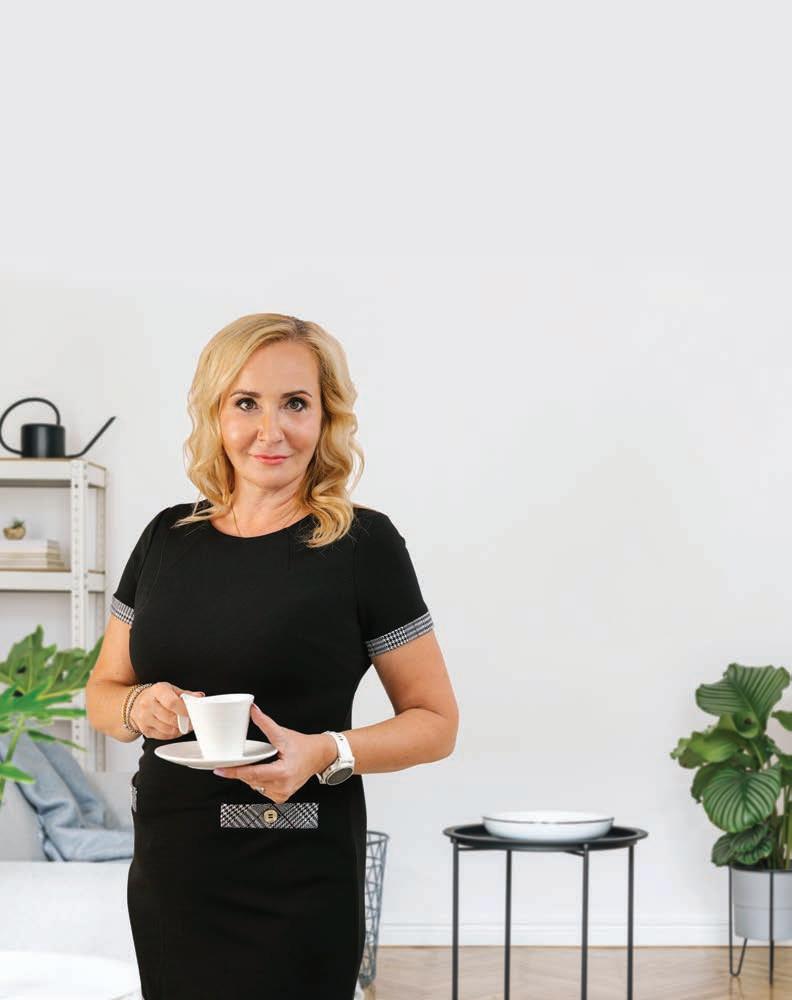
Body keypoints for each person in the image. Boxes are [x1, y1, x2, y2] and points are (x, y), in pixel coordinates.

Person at [85, 313, 459, 1000]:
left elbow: (436, 722)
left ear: (326, 416)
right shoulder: (166, 538)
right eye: (246, 403)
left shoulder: (363, 547)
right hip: (174, 865)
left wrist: (324, 752)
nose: (271, 430)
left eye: (295, 403)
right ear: (215, 413)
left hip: (298, 863)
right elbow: (103, 694)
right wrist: (139, 706)